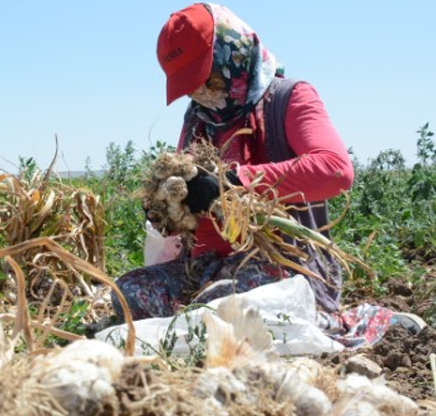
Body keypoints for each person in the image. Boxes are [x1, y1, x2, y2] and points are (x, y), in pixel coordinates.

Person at [111, 3, 355, 323]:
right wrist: (168, 212)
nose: (200, 92)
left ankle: (197, 323)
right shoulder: (199, 119)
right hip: (211, 268)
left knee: (222, 307)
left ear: (232, 52)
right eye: (190, 86)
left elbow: (335, 170)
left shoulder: (290, 97)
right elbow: (191, 195)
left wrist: (233, 182)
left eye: (206, 78)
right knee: (128, 292)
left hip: (284, 264)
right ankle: (197, 322)